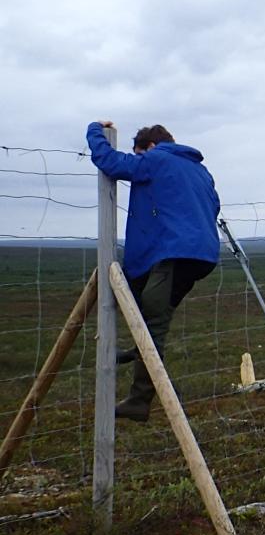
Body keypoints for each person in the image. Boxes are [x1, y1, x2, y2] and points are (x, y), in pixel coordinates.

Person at [86, 121, 222, 421]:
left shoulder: (156, 158)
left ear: (149, 147)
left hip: (174, 252)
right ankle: (140, 352)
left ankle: (139, 399)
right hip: (200, 254)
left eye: (139, 154)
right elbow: (214, 206)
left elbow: (112, 163)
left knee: (155, 320)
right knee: (139, 298)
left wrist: (94, 130)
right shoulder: (200, 170)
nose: (140, 160)